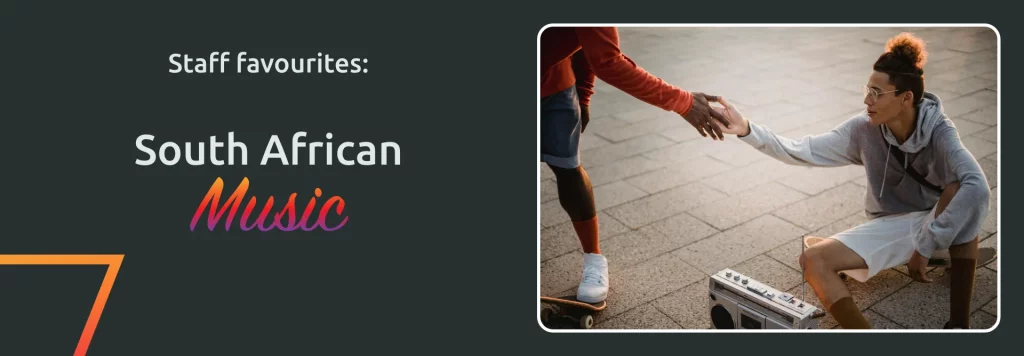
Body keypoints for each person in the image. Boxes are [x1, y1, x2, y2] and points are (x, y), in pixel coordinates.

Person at [710, 32, 990, 329]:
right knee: (812, 259)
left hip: (935, 219)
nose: (867, 100)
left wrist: (927, 243)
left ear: (906, 98)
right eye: (867, 89)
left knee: (961, 189)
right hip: (894, 225)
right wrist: (746, 129)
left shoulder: (940, 132)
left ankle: (959, 325)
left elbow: (978, 187)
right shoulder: (863, 129)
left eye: (877, 93)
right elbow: (802, 150)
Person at [540, 27, 730, 303]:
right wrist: (685, 103)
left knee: (568, 169)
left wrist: (583, 93)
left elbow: (598, 51)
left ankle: (594, 259)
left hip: (553, 88)